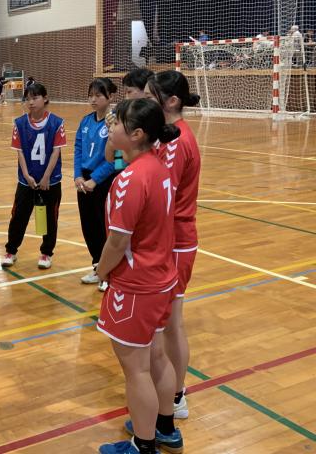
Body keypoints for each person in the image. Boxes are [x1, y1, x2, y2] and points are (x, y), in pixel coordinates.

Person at [96, 98, 182, 454]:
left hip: (136, 285)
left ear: (136, 134)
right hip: (162, 279)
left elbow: (118, 241)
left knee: (137, 370)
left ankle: (143, 446)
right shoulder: (159, 166)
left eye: (117, 122)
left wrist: (101, 271)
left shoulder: (130, 179)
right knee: (157, 357)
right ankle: (165, 428)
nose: (110, 126)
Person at [145, 71, 201, 421]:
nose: (145, 102)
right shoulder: (169, 137)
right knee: (168, 322)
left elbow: (162, 194)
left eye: (151, 97)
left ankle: (177, 395)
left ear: (171, 101)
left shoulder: (179, 141)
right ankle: (172, 390)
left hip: (177, 240)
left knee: (173, 323)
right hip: (171, 238)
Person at [2, 83, 66, 269]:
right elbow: (20, 152)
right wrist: (26, 175)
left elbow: (56, 152)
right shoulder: (20, 123)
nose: (31, 102)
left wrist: (46, 177)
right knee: (18, 217)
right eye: (28, 98)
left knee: (50, 218)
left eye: (35, 98)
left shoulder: (56, 123)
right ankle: (11, 250)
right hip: (26, 181)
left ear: (45, 98)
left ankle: (46, 253)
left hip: (50, 181)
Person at [74, 78, 118, 291]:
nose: (93, 99)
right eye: (90, 95)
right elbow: (78, 149)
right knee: (88, 226)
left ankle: (109, 273)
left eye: (98, 95)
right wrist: (77, 176)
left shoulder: (114, 124)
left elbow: (115, 159)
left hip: (103, 180)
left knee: (103, 226)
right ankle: (97, 267)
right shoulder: (85, 121)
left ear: (110, 97)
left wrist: (95, 179)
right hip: (84, 180)